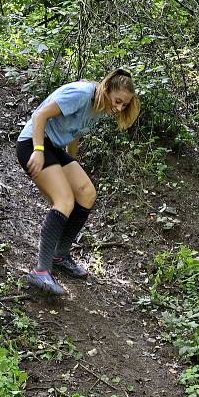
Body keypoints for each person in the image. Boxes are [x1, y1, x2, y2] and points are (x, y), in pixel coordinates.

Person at [16, 68, 140, 295]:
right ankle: (41, 271)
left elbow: (74, 133)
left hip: (54, 148)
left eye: (124, 104)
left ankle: (60, 255)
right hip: (33, 143)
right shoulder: (81, 94)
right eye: (118, 101)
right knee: (64, 201)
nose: (119, 108)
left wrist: (72, 162)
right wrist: (38, 150)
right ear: (106, 88)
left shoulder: (100, 106)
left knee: (86, 193)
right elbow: (41, 114)